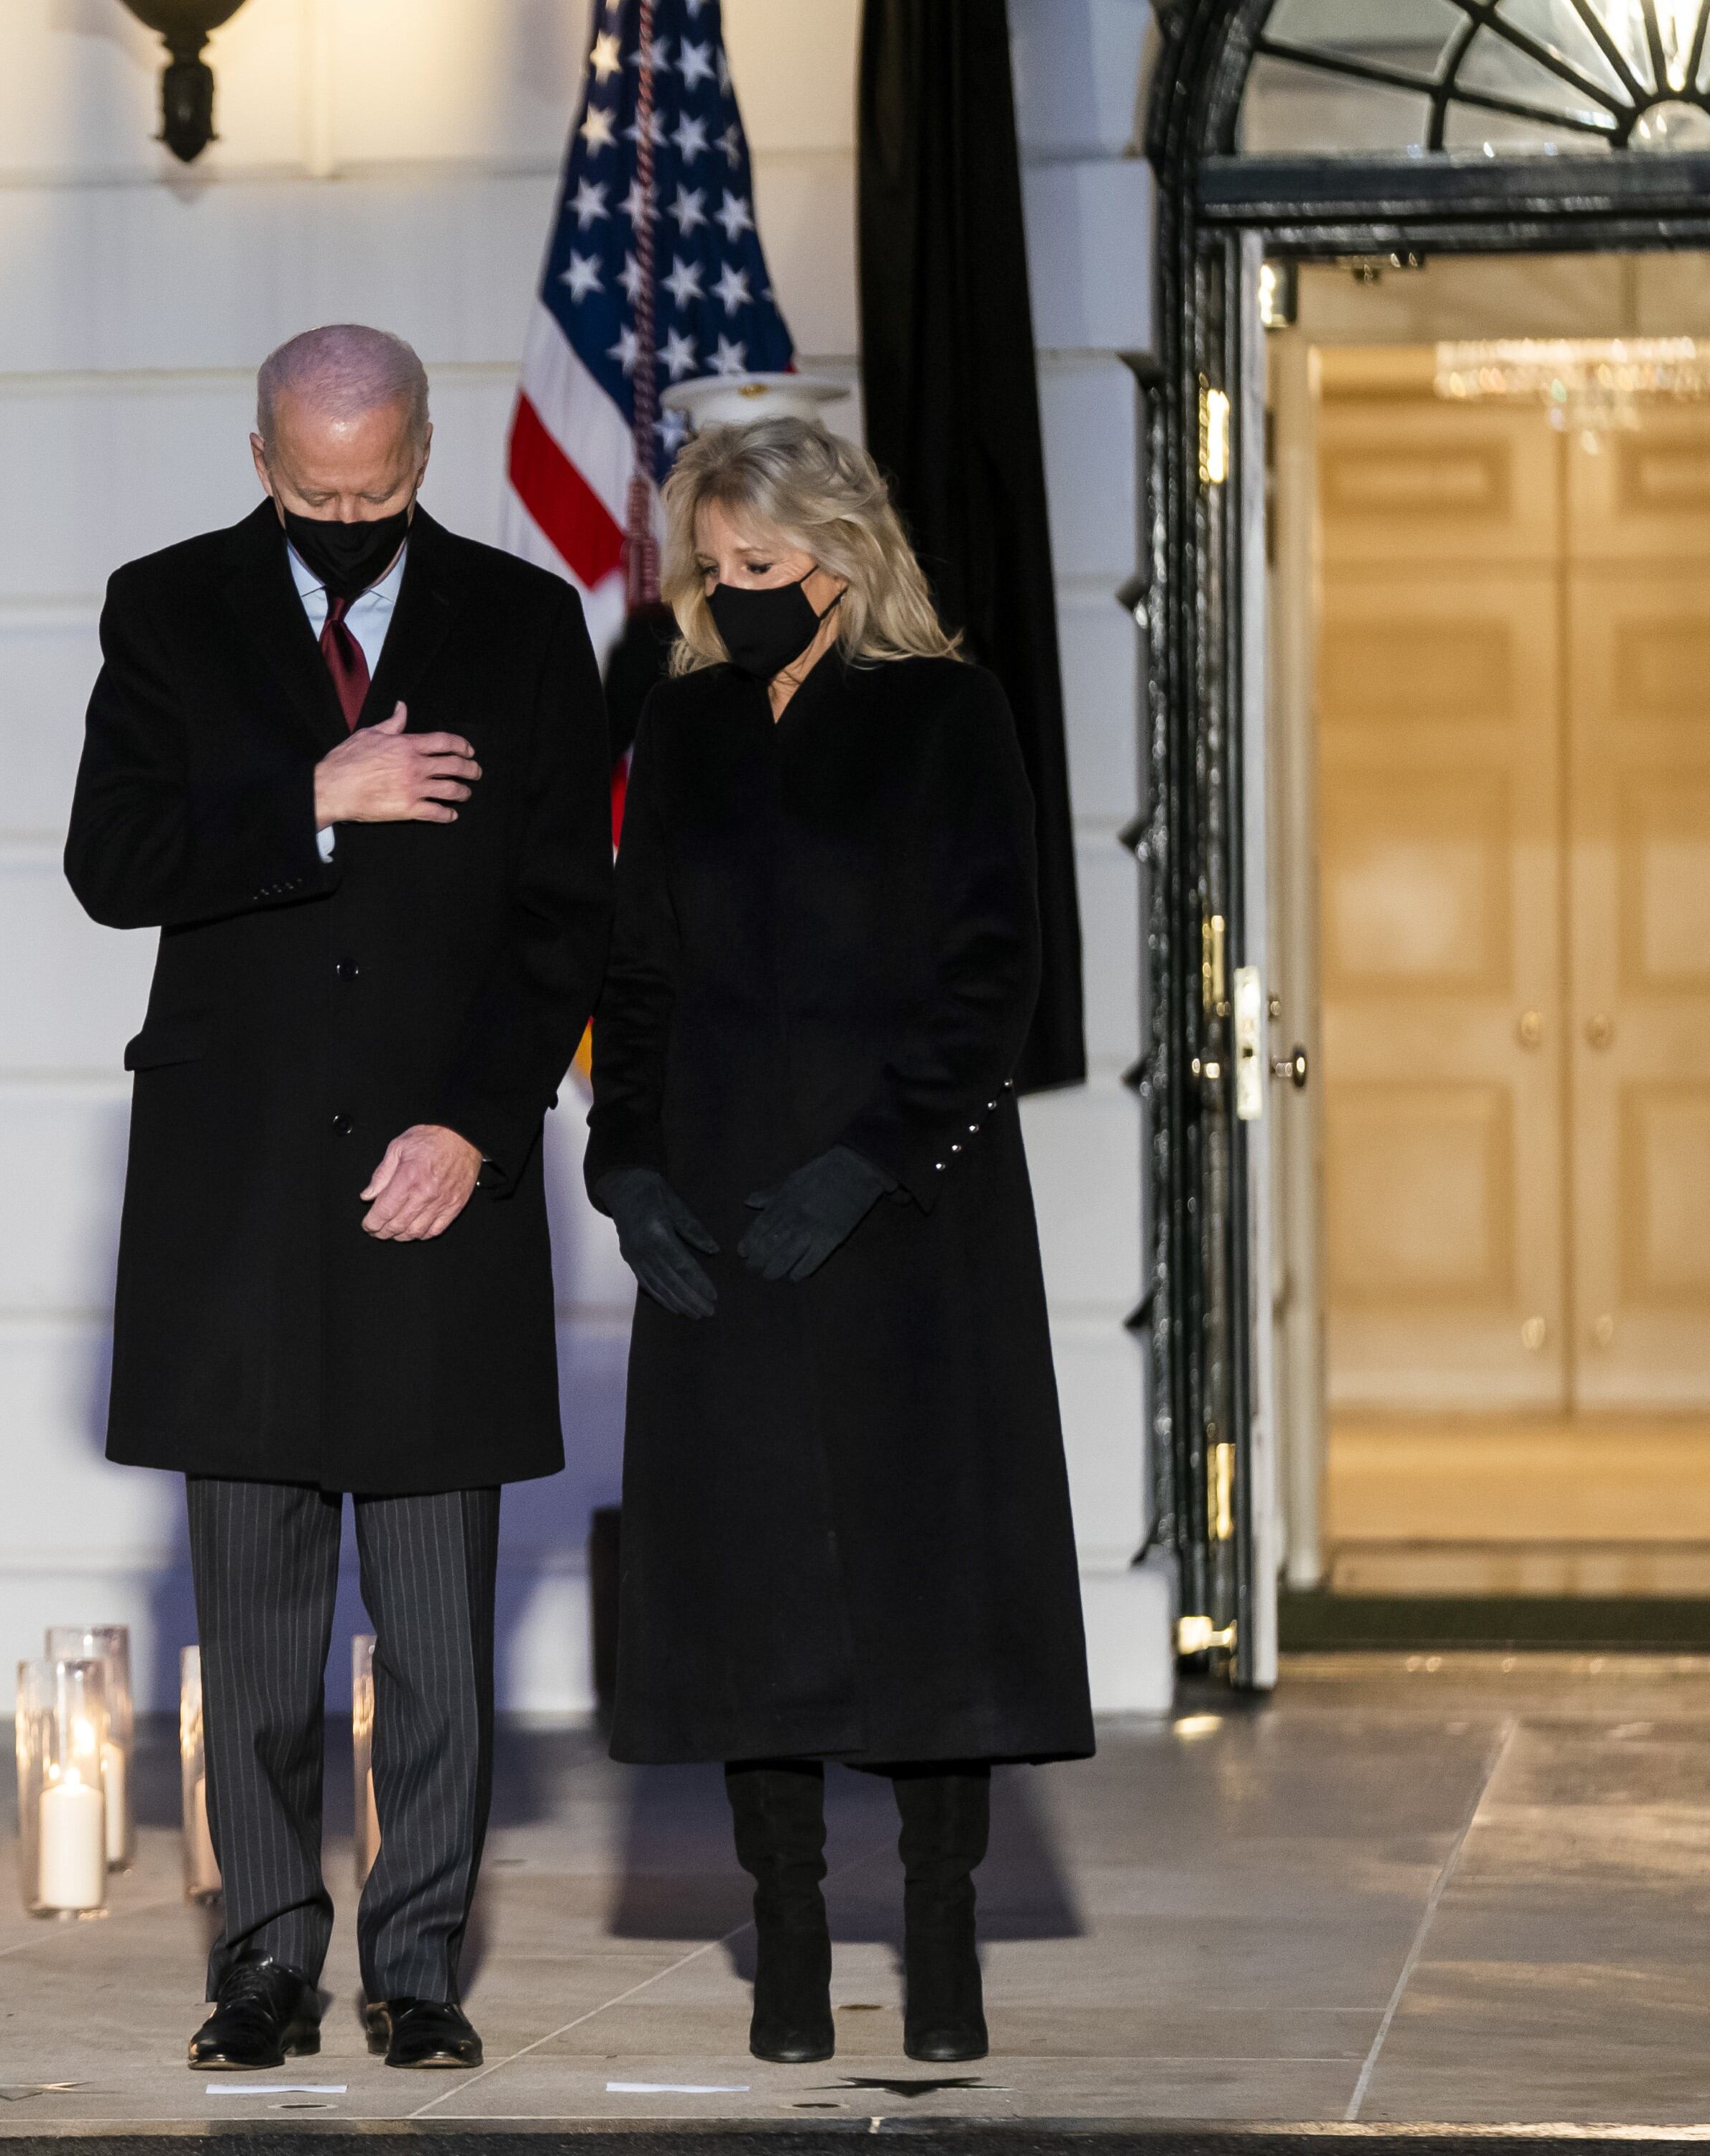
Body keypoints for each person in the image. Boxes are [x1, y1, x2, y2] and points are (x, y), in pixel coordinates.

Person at [65, 325, 611, 2072]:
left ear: (427, 453)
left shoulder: (524, 628)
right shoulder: (165, 609)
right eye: (316, 494)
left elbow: (564, 923)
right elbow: (112, 862)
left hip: (436, 1190)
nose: (349, 517)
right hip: (238, 1209)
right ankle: (264, 1961)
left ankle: (421, 1961)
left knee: (442, 1641)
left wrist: (476, 1125)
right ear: (258, 459)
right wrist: (314, 792)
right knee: (259, 1633)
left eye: (379, 491)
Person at [584, 416, 1093, 2068]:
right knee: (754, 1594)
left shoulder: (949, 714)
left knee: (922, 1591)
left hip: (907, 1227)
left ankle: (942, 1933)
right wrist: (627, 1166)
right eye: (713, 572)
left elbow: (993, 974)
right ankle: (787, 1934)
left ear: (846, 559)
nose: (736, 598)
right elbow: (639, 975)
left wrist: (869, 1165)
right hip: (724, 1223)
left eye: (767, 569)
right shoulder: (683, 729)